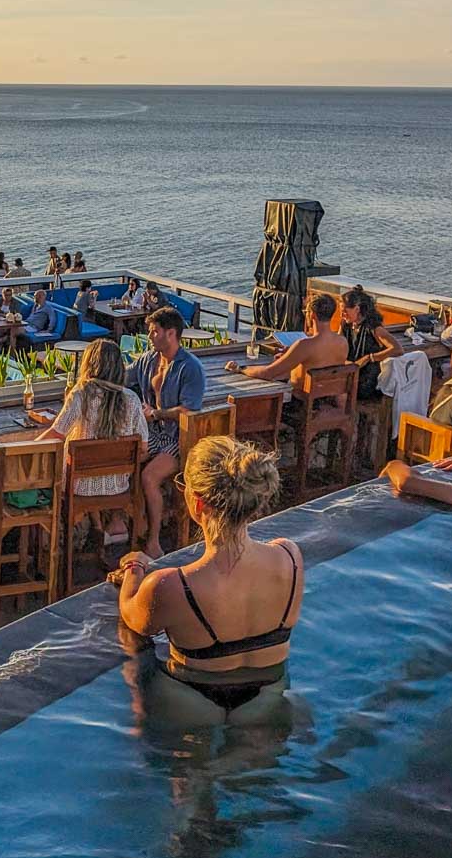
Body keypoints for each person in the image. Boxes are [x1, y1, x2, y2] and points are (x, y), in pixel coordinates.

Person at [110, 435, 302, 724]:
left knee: (137, 663)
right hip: (269, 692)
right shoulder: (290, 557)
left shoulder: (172, 585)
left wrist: (134, 567)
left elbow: (132, 615)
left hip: (191, 696)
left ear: (197, 504)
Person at [36, 338, 148, 542]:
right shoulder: (131, 399)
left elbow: (57, 433)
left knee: (48, 467)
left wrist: (29, 447)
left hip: (78, 487)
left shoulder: (81, 395)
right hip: (119, 485)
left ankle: (54, 544)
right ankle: (102, 529)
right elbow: (143, 447)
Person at [127, 307, 206, 555]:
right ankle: (129, 526)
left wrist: (157, 413)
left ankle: (154, 540)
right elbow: (123, 376)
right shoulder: (149, 359)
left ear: (170, 333)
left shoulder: (190, 367)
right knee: (122, 460)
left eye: (154, 331)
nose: (150, 336)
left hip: (177, 438)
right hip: (153, 433)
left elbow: (189, 410)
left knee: (149, 477)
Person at [225, 293, 348, 401]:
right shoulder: (342, 342)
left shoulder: (305, 345)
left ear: (313, 315)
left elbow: (268, 373)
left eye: (306, 312)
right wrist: (290, 358)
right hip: (328, 399)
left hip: (303, 404)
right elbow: (320, 365)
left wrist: (240, 368)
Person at [338, 284, 400, 399]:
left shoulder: (374, 328)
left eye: (345, 311)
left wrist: (369, 357)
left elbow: (397, 349)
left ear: (357, 309)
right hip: (351, 370)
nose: (342, 315)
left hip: (367, 378)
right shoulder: (345, 325)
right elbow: (337, 346)